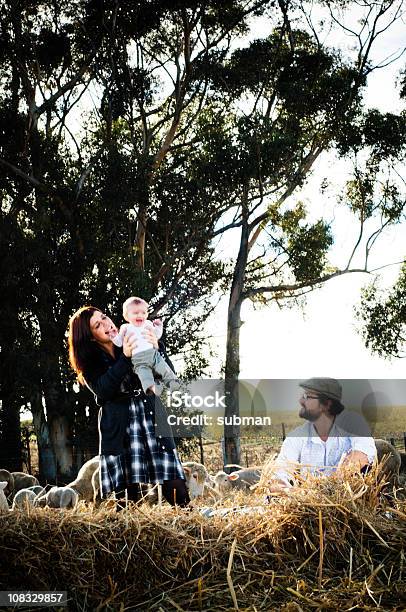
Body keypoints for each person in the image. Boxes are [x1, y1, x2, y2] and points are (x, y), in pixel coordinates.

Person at [68, 306, 190, 508]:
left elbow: (164, 373)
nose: (107, 324)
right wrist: (125, 357)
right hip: (119, 425)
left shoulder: (133, 336)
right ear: (90, 337)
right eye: (98, 325)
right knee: (127, 497)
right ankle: (129, 536)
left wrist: (157, 347)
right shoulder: (89, 362)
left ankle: (190, 524)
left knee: (173, 479)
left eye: (104, 317)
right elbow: (104, 390)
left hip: (150, 413)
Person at [268, 377, 377, 492]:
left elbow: (362, 455)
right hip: (308, 506)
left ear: (326, 404)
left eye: (307, 396)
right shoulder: (296, 438)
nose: (300, 401)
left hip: (349, 503)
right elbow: (278, 479)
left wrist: (328, 488)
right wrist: (292, 491)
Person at [112, 296, 180, 395]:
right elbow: (119, 343)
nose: (140, 315)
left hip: (154, 355)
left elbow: (156, 335)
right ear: (126, 316)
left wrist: (159, 326)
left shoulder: (147, 324)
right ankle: (152, 388)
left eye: (143, 312)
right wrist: (113, 336)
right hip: (138, 360)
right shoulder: (125, 327)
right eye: (135, 313)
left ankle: (173, 383)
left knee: (165, 369)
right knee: (145, 376)